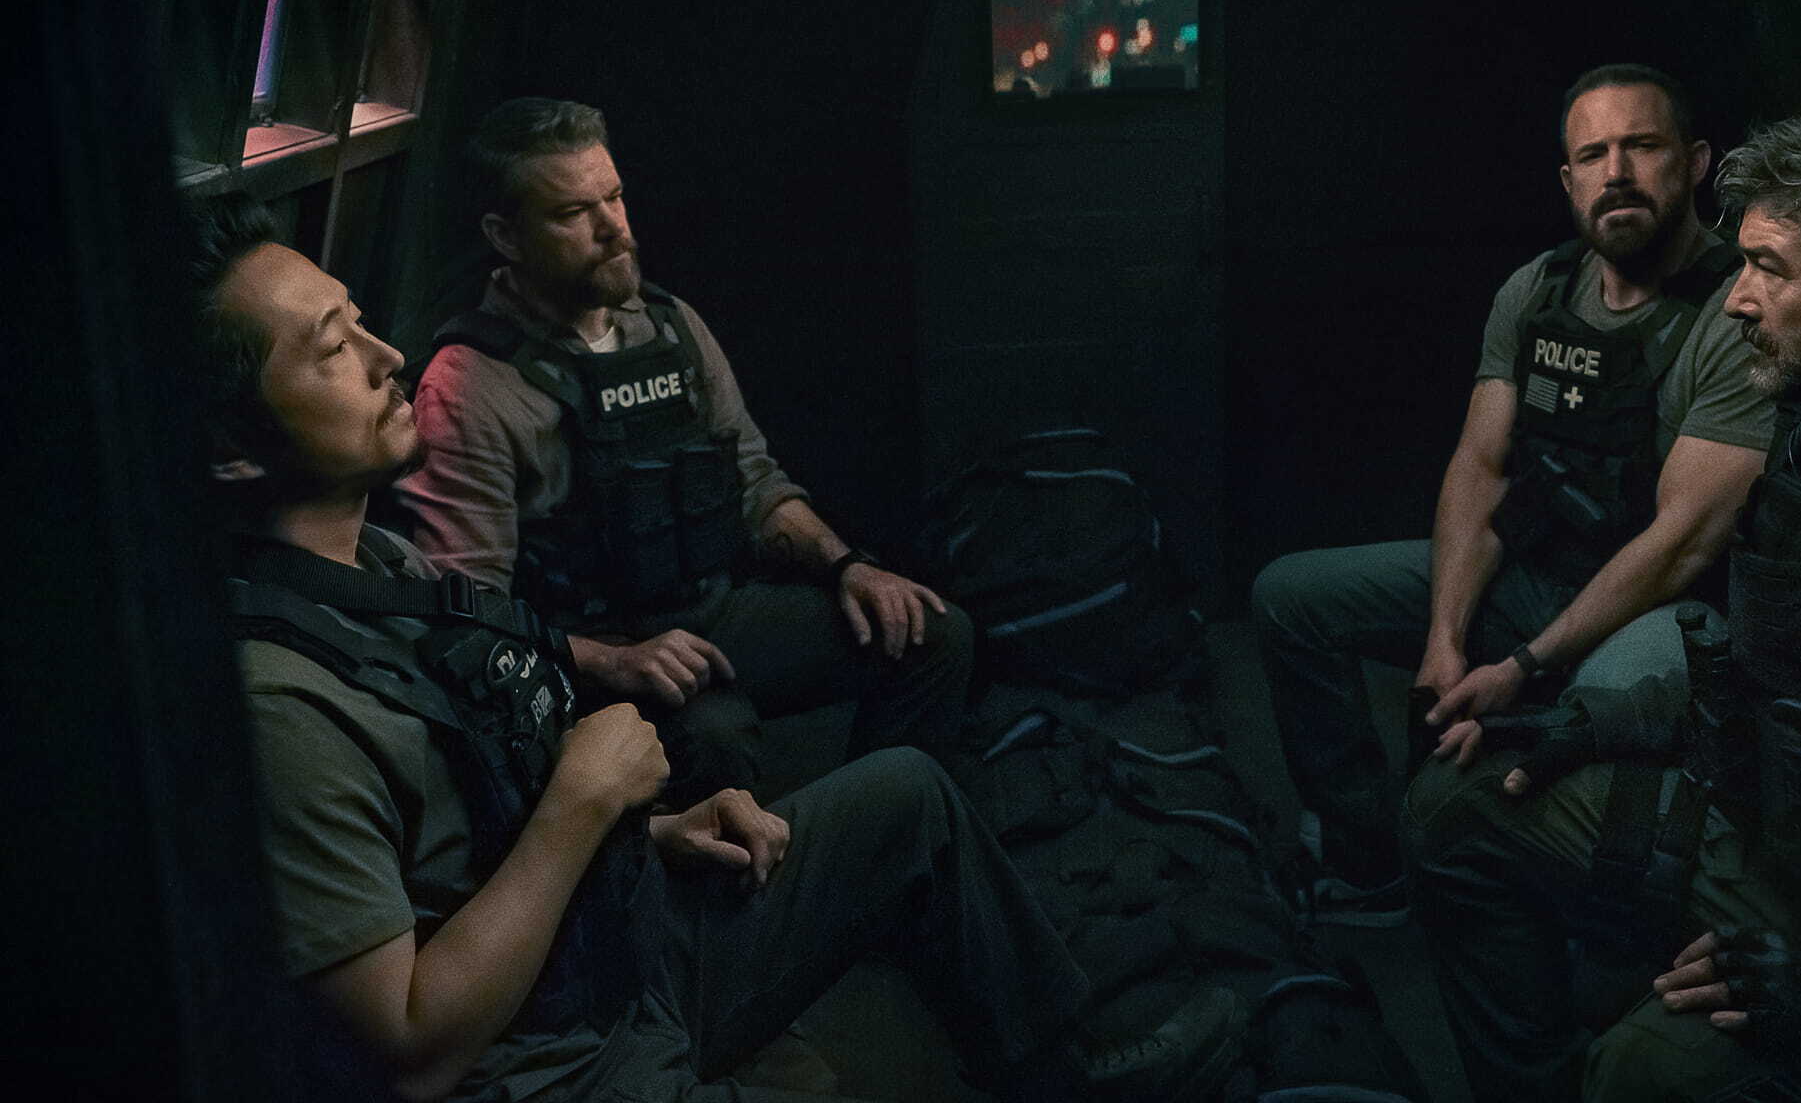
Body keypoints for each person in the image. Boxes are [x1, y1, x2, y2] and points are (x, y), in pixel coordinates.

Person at [188, 193, 1246, 1103]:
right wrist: (583, 803)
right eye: (332, 348)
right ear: (231, 454)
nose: (386, 359)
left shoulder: (386, 569)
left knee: (908, 792)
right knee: (721, 733)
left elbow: (746, 477)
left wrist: (654, 833)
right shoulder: (279, 703)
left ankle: (1069, 1071)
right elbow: (410, 1054)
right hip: (543, 1053)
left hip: (605, 932)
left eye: (362, 321)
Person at [1404, 91, 1801, 1103]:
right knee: (1455, 815)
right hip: (1797, 839)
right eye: (1738, 263)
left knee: (1643, 1072)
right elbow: (1771, 669)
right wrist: (1590, 721)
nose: (1736, 300)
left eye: (1767, 269)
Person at [1253, 64, 1772, 919]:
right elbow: (1480, 469)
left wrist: (1524, 667)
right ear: (1568, 180)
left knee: (1568, 727)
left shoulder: (1736, 309)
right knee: (1291, 598)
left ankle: (1585, 937)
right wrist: (1446, 638)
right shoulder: (1538, 292)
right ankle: (1368, 855)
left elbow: (1681, 543)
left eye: (1642, 147)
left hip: (1663, 610)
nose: (1617, 174)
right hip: (1539, 567)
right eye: (1593, 154)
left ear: (1696, 161)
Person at [393, 97, 969, 799]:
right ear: (505, 236)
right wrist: (613, 661)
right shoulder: (468, 387)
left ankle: (874, 842)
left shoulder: (668, 327)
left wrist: (849, 566)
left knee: (931, 635)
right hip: (594, 649)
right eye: (574, 214)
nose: (613, 229)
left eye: (615, 197)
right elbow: (467, 614)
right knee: (714, 737)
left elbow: (753, 482)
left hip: (710, 611)